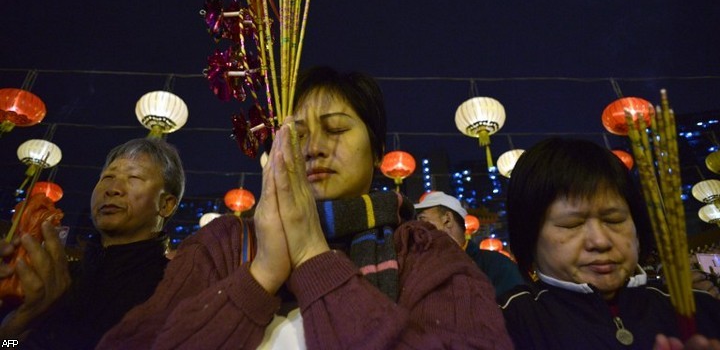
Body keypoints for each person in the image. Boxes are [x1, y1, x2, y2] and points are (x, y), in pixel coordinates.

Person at [98, 66, 513, 349]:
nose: (313, 147)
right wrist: (260, 276)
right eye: (296, 134)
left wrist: (314, 258)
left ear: (377, 152)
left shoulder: (422, 252)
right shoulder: (225, 242)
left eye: (335, 129)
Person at [499, 137, 720, 350]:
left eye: (614, 220)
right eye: (571, 224)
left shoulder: (700, 309)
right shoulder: (505, 323)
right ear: (529, 236)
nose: (600, 241)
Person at [0, 137, 184, 349]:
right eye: (107, 177)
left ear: (166, 204)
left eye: (134, 177)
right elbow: (8, 345)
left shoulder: (174, 288)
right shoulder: (54, 278)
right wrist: (21, 320)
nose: (113, 189)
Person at [414, 191, 524, 297]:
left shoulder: (496, 265)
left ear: (447, 220)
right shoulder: (422, 270)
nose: (417, 228)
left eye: (422, 219)